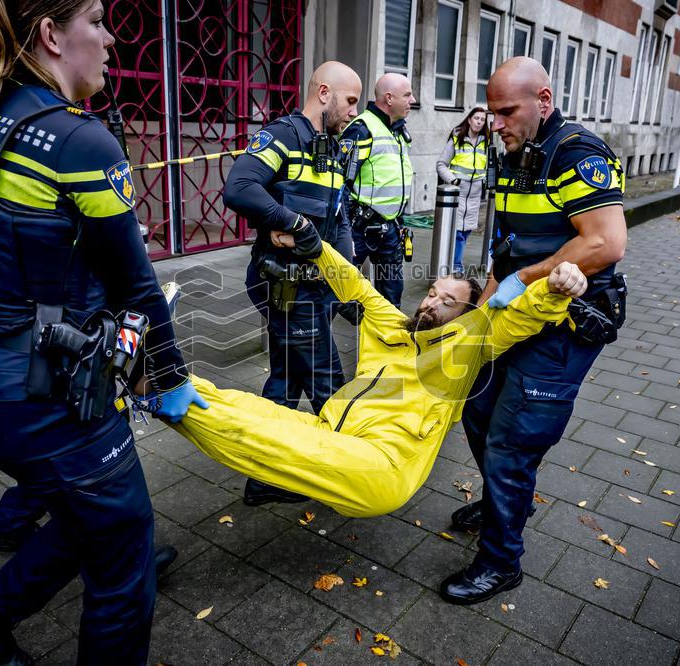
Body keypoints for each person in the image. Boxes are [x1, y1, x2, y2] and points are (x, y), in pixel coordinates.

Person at [0, 1, 206, 663]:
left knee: (89, 518)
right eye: (98, 20)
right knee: (122, 561)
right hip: (48, 392)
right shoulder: (79, 141)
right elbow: (137, 284)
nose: (111, 39)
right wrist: (169, 376)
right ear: (53, 35)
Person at [159, 228, 587, 517]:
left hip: (384, 464)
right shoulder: (391, 323)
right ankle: (168, 375)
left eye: (447, 301)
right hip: (333, 431)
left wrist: (553, 288)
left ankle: (155, 388)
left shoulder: (466, 345)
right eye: (432, 293)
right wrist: (311, 243)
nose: (431, 303)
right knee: (248, 409)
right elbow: (354, 284)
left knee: (262, 438)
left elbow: (518, 320)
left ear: (466, 313)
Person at [441, 56, 628, 605]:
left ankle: (501, 562)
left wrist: (522, 279)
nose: (494, 123)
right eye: (492, 111)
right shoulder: (514, 153)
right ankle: (503, 499)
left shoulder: (577, 153)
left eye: (506, 111)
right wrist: (482, 303)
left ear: (543, 101)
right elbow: (509, 240)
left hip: (565, 323)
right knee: (477, 411)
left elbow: (604, 243)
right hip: (515, 314)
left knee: (511, 439)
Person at [222, 61, 361, 507]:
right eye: (351, 101)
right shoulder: (283, 135)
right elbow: (240, 188)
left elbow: (337, 220)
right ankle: (346, 473)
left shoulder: (333, 148)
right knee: (329, 385)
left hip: (315, 289)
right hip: (287, 289)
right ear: (324, 93)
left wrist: (350, 283)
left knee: (284, 382)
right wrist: (294, 224)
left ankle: (264, 477)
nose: (355, 112)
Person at [339, 73, 416, 307]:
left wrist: (400, 223)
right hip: (359, 228)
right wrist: (343, 229)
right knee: (338, 289)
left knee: (392, 297)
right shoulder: (362, 129)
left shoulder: (398, 130)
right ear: (389, 98)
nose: (412, 100)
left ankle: (388, 341)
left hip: (390, 227)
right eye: (408, 94)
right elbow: (340, 181)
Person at [436, 107, 490, 273]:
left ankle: (454, 262)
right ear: (469, 120)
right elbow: (441, 164)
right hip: (458, 193)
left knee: (466, 231)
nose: (479, 122)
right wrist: (454, 180)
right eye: (476, 118)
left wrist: (485, 181)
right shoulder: (457, 139)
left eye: (482, 119)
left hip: (475, 196)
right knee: (458, 232)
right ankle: (456, 266)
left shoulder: (486, 142)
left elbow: (488, 166)